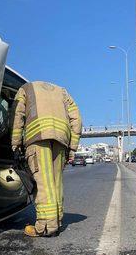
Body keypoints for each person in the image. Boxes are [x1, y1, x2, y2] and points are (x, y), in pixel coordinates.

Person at [11, 81, 82, 237]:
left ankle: (45, 227)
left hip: (37, 139)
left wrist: (15, 144)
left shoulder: (25, 89)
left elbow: (17, 115)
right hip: (61, 140)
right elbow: (76, 118)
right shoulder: (62, 92)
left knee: (43, 183)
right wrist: (72, 147)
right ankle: (56, 221)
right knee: (56, 183)